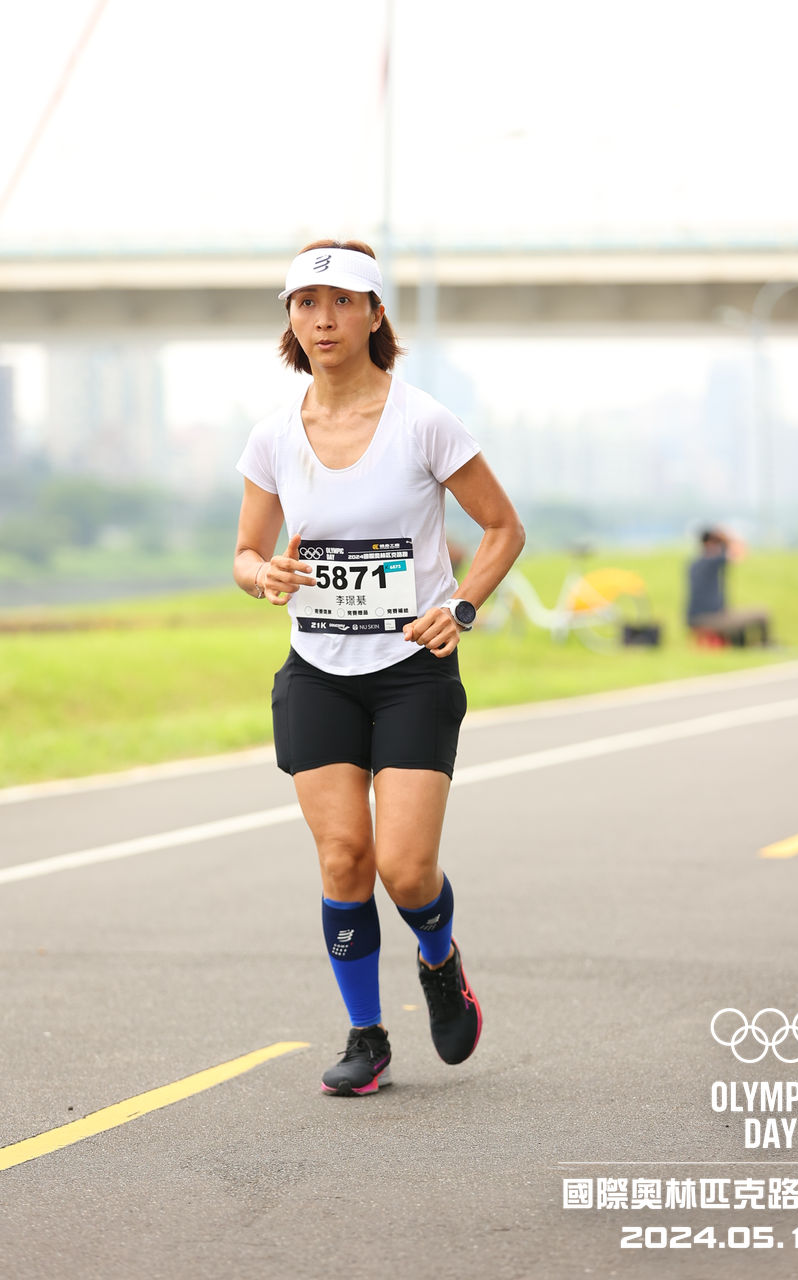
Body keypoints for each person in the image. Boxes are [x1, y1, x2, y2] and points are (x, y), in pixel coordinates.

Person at [233, 239, 525, 1096]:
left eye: (341, 303)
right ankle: (367, 1035)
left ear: (373, 315)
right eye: (305, 304)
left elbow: (502, 528)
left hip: (409, 673)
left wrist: (460, 606)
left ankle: (439, 959)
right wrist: (264, 575)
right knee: (342, 860)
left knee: (403, 868)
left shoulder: (423, 422)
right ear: (291, 320)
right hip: (316, 671)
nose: (322, 320)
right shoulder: (272, 436)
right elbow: (245, 554)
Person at [686, 527, 770, 646]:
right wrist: (728, 537)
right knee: (762, 614)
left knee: (736, 621)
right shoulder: (712, 560)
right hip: (711, 618)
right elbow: (739, 555)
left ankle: (743, 647)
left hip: (695, 618)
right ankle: (765, 645)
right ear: (710, 543)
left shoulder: (694, 563)